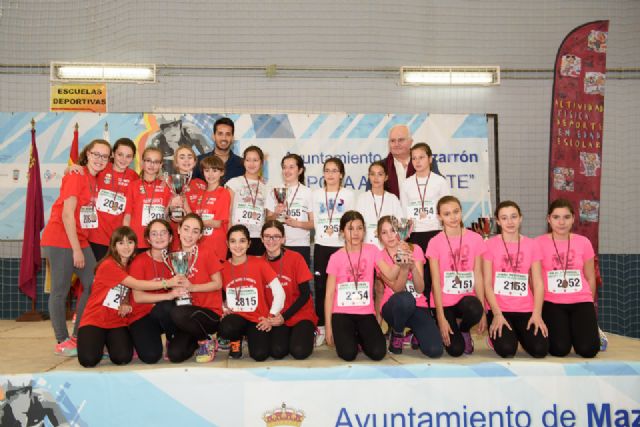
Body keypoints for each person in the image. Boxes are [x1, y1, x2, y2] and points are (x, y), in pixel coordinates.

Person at [76, 226, 185, 367]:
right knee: (88, 360)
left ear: (135, 244)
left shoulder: (130, 265)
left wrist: (126, 302)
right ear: (113, 246)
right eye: (121, 243)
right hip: (95, 319)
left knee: (122, 358)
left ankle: (112, 343)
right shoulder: (109, 265)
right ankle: (99, 342)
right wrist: (167, 283)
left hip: (117, 320)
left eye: (130, 242)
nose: (126, 247)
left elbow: (127, 290)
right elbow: (136, 284)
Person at [41, 139, 112, 356]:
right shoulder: (76, 175)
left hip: (79, 239)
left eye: (104, 156)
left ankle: (76, 336)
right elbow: (66, 214)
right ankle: (61, 340)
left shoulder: (93, 178)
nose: (100, 159)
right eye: (96, 154)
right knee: (60, 291)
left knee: (93, 283)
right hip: (61, 239)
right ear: (87, 154)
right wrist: (76, 249)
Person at [324, 211, 401, 361]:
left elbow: (391, 275)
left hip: (365, 313)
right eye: (350, 229)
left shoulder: (372, 251)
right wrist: (328, 327)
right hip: (341, 313)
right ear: (342, 232)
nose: (355, 233)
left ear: (364, 231)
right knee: (348, 354)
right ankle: (351, 337)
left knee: (378, 352)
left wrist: (400, 259)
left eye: (359, 228)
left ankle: (360, 337)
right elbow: (329, 294)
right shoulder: (335, 257)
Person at [483, 201, 549, 358]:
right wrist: (497, 314)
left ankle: (519, 334)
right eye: (504, 218)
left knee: (540, 350)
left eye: (513, 217)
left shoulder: (532, 245)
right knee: (507, 350)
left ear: (521, 218)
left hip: (525, 308)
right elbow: (486, 284)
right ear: (498, 221)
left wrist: (537, 314)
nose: (510, 222)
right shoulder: (489, 245)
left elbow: (538, 283)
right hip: (499, 308)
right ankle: (497, 338)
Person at [536, 198, 599, 358]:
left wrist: (589, 305)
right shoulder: (538, 243)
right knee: (559, 349)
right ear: (548, 219)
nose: (561, 222)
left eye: (566, 217)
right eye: (556, 217)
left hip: (581, 301)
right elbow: (534, 280)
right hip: (552, 302)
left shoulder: (584, 242)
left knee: (588, 350)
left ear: (573, 218)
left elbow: (590, 277)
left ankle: (594, 332)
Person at [426, 196, 486, 357]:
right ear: (439, 217)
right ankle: (442, 324)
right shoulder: (434, 242)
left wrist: (483, 313)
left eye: (456, 212)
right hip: (444, 303)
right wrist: (440, 316)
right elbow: (436, 282)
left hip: (466, 300)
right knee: (455, 350)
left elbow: (478, 276)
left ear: (461, 212)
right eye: (446, 214)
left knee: (475, 307)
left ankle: (464, 330)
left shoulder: (476, 239)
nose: (452, 217)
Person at [376, 216, 443, 357]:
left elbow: (419, 289)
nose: (390, 236)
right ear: (379, 237)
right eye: (384, 232)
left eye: (393, 230)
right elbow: (397, 289)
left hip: (418, 305)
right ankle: (398, 332)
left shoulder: (415, 249)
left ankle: (414, 334)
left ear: (401, 231)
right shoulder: (378, 257)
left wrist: (412, 267)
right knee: (405, 298)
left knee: (435, 350)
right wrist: (404, 268)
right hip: (393, 307)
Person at [218, 225, 285, 361]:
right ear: (227, 243)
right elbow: (215, 294)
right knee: (226, 326)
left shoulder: (260, 263)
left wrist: (270, 317)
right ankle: (235, 340)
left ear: (249, 244)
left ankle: (251, 337)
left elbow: (279, 292)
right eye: (233, 241)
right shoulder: (222, 267)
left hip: (258, 318)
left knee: (260, 355)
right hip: (236, 317)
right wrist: (223, 308)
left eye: (242, 241)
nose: (237, 246)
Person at [167, 213, 225, 363]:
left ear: (200, 235)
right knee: (175, 354)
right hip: (186, 313)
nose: (189, 235)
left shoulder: (207, 252)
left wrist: (192, 287)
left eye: (195, 231)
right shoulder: (173, 255)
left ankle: (208, 340)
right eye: (186, 229)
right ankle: (198, 341)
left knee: (177, 313)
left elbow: (218, 283)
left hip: (208, 313)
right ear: (178, 230)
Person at [311, 157, 356, 345]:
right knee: (321, 288)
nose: (330, 174)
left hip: (342, 248)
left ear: (341, 174)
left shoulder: (349, 195)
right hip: (322, 246)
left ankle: (344, 325)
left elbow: (352, 223)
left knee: (343, 288)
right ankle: (322, 326)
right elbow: (314, 220)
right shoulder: (316, 194)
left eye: (334, 170)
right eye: (327, 170)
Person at [128, 219, 183, 364]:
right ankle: (133, 337)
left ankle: (172, 338)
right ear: (148, 239)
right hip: (141, 315)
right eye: (154, 234)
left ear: (171, 237)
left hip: (164, 313)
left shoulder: (176, 260)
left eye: (163, 233)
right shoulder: (139, 261)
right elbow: (138, 297)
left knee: (167, 307)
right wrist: (169, 295)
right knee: (151, 356)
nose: (159, 237)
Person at [401, 143, 451, 299]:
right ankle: (422, 307)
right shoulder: (406, 183)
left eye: (421, 157)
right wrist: (404, 237)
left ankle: (438, 310)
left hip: (435, 233)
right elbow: (404, 211)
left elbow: (447, 208)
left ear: (430, 159)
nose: (417, 161)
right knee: (419, 275)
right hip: (415, 235)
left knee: (436, 274)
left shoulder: (440, 182)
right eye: (414, 158)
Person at [261, 220, 317, 360]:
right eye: (267, 236)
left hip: (299, 313)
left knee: (299, 351)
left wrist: (284, 317)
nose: (271, 240)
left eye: (276, 236)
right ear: (261, 239)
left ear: (283, 239)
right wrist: (271, 318)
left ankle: (310, 333)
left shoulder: (295, 258)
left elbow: (305, 295)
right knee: (277, 351)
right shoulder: (259, 263)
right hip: (276, 317)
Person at [87, 138, 138, 261]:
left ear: (133, 158)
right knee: (94, 276)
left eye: (128, 156)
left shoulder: (134, 177)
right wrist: (72, 168)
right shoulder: (101, 167)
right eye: (120, 154)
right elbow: (82, 171)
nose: (123, 159)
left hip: (117, 239)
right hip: (95, 236)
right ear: (113, 154)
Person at [265, 153, 314, 265]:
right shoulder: (274, 191)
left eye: (291, 167)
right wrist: (276, 214)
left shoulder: (308, 192)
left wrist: (297, 224)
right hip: (277, 245)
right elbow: (268, 221)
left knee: (301, 282)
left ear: (300, 170)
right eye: (284, 167)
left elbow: (314, 223)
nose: (287, 170)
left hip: (301, 245)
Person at [122, 146, 173, 252]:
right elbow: (127, 215)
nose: (152, 165)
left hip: (159, 240)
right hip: (137, 240)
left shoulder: (166, 186)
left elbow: (168, 215)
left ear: (160, 165)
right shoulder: (133, 185)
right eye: (148, 160)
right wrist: (126, 238)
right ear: (142, 162)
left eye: (156, 162)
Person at [186, 155, 231, 263]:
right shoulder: (201, 193)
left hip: (216, 248)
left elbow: (217, 223)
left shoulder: (223, 193)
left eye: (214, 171)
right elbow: (192, 217)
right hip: (199, 246)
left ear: (222, 172)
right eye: (207, 170)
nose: (210, 174)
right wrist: (184, 202)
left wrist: (195, 223)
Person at [226, 146, 268, 256]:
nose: (251, 164)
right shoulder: (234, 183)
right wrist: (229, 236)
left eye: (255, 160)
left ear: (261, 162)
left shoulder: (266, 187)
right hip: (237, 238)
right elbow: (228, 212)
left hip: (258, 237)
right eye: (248, 160)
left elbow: (267, 215)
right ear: (243, 162)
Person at [167, 145, 207, 250]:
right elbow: (163, 213)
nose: (186, 160)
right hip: (175, 233)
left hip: (195, 234)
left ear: (194, 162)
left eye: (189, 157)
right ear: (176, 162)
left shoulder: (202, 184)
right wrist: (171, 208)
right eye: (182, 157)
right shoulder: (168, 182)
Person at [383, 124, 440, 198]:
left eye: (401, 140)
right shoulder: (381, 166)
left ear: (411, 142)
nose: (396, 144)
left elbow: (438, 187)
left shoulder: (426, 162)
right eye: (392, 141)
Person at [356, 161, 403, 248]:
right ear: (369, 177)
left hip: (389, 248)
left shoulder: (393, 199)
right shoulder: (362, 198)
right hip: (367, 247)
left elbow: (400, 225)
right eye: (372, 174)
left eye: (380, 174)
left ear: (386, 177)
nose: (376, 178)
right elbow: (357, 225)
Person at [193, 117, 244, 184]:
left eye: (228, 134)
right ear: (213, 137)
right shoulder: (199, 161)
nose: (224, 138)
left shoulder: (242, 164)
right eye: (220, 134)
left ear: (232, 138)